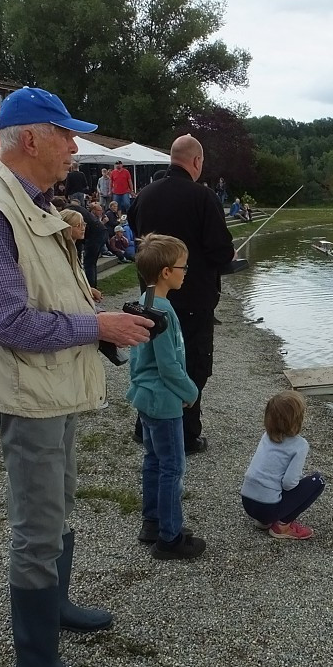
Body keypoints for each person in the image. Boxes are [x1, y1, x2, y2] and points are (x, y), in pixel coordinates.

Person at [0, 86, 152, 667]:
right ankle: (35, 666)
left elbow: (38, 293)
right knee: (37, 527)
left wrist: (81, 297)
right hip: (29, 394)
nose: (75, 147)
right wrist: (98, 327)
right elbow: (9, 322)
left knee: (60, 504)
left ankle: (56, 608)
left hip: (54, 387)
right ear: (33, 138)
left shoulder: (29, 202)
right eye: (66, 135)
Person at [128, 135, 235, 454]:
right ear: (197, 162)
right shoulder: (203, 197)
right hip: (193, 297)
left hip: (150, 296)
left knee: (150, 360)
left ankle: (144, 426)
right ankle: (186, 433)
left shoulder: (144, 194)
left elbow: (137, 234)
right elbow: (221, 251)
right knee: (192, 362)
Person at [127, 234, 205, 560]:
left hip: (145, 397)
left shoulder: (143, 300)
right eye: (183, 267)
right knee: (173, 466)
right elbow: (168, 364)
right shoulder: (163, 312)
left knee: (154, 461)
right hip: (163, 401)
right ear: (165, 272)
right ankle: (170, 538)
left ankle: (153, 521)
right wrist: (191, 392)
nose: (186, 272)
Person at [240, 391, 325, 540]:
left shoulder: (266, 436)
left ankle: (264, 522)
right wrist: (300, 482)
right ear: (297, 420)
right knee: (317, 481)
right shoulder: (300, 445)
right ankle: (282, 525)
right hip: (267, 507)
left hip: (247, 502)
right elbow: (288, 483)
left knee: (273, 483)